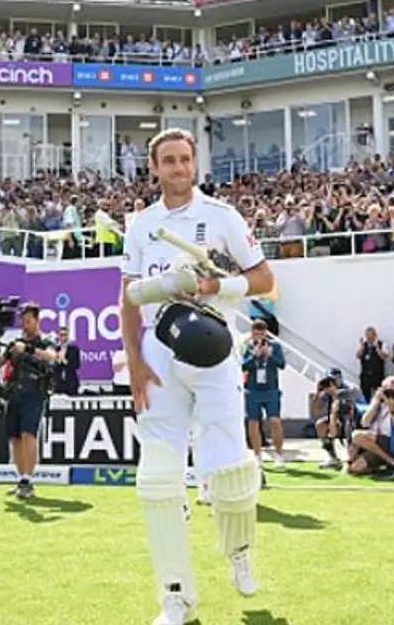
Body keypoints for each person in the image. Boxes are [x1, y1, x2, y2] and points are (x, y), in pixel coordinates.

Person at [119, 127, 275, 625]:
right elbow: (128, 297)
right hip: (157, 353)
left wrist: (215, 284)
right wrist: (135, 363)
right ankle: (175, 597)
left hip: (213, 345)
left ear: (194, 163)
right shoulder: (141, 225)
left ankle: (240, 553)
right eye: (168, 161)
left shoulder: (221, 216)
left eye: (185, 160)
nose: (179, 168)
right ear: (155, 168)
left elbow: (266, 282)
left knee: (230, 464)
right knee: (158, 475)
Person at [4, 302, 60, 499]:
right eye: (23, 321)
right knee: (15, 437)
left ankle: (29, 478)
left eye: (28, 321)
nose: (25, 324)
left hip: (35, 392)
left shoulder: (46, 339)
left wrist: (27, 349)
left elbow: (52, 357)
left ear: (37, 320)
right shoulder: (16, 341)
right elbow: (1, 362)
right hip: (15, 392)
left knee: (29, 434)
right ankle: (21, 478)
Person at [242, 319, 287, 468]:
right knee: (253, 422)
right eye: (256, 333)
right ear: (252, 333)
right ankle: (257, 455)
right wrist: (254, 355)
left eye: (262, 333)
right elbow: (242, 366)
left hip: (271, 389)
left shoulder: (275, 346)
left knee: (275, 421)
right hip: (253, 390)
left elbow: (282, 364)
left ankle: (279, 455)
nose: (259, 337)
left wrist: (269, 355)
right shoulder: (247, 347)